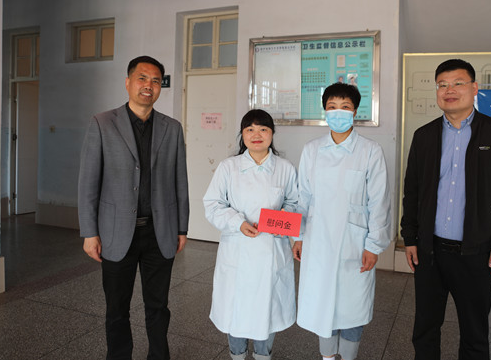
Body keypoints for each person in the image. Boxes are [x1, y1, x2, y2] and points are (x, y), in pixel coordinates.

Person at [400, 58, 491, 360]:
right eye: (442, 85)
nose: (449, 90)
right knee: (425, 328)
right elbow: (412, 192)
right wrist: (410, 237)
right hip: (430, 252)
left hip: (476, 253)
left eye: (457, 83)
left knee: (475, 333)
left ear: (474, 88)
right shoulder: (424, 136)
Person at [78, 55, 189, 360]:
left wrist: (182, 228)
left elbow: (180, 181)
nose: (148, 85)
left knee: (158, 306)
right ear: (128, 83)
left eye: (155, 81)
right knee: (116, 309)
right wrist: (89, 232)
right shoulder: (102, 123)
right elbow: (88, 182)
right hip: (115, 232)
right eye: (142, 78)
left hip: (159, 231)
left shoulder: (172, 128)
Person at [292, 82, 391, 360]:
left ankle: (348, 356)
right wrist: (298, 236)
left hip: (354, 243)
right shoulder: (312, 149)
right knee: (322, 305)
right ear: (324, 111)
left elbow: (379, 201)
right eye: (332, 107)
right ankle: (326, 357)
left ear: (355, 111)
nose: (338, 112)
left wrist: (373, 245)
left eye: (345, 107)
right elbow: (303, 196)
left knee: (352, 308)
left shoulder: (370, 150)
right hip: (318, 239)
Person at [203, 109, 297, 360]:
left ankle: (263, 355)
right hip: (238, 251)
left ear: (272, 134)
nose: (257, 135)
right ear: (242, 134)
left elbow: (295, 203)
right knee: (236, 310)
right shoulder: (228, 167)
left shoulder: (285, 168)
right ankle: (237, 355)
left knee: (268, 310)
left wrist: (278, 220)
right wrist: (238, 223)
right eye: (250, 129)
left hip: (271, 252)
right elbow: (213, 204)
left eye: (263, 129)